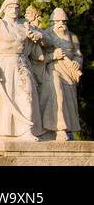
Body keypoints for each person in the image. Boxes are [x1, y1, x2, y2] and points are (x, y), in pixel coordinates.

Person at [0, 0, 43, 140]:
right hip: (3, 66)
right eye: (11, 7)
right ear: (4, 9)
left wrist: (37, 36)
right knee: (0, 101)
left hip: (21, 65)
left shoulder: (25, 26)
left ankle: (26, 130)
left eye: (17, 7)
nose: (15, 10)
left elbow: (43, 39)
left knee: (26, 95)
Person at [38, 8, 83, 140]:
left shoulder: (72, 36)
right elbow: (39, 57)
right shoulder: (46, 35)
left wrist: (77, 62)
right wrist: (53, 55)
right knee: (58, 98)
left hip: (69, 73)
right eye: (58, 21)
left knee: (68, 101)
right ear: (52, 21)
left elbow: (78, 54)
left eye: (64, 21)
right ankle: (59, 128)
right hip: (53, 70)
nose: (61, 23)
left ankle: (67, 130)